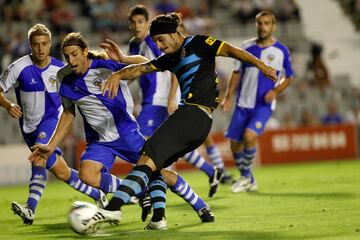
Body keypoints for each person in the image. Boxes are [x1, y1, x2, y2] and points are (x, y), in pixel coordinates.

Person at [71, 11, 276, 232]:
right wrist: (119, 74)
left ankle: (113, 208)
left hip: (191, 115)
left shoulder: (199, 42)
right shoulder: (169, 58)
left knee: (147, 159)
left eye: (161, 39)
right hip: (197, 122)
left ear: (174, 33)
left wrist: (262, 66)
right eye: (155, 41)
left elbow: (233, 51)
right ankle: (170, 214)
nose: (158, 45)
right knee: (153, 164)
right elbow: (141, 68)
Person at [29, 32, 215, 231]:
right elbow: (68, 114)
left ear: (85, 51)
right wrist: (50, 146)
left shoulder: (106, 66)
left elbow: (149, 63)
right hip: (99, 141)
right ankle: (138, 193)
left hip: (126, 133)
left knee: (157, 172)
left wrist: (124, 59)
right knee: (86, 174)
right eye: (67, 56)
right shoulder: (63, 77)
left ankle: (199, 205)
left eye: (75, 54)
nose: (71, 60)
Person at [0, 24, 108, 225]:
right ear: (30, 46)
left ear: (50, 44)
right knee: (62, 172)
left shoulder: (61, 69)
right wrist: (8, 105)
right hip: (29, 128)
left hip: (52, 122)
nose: (40, 48)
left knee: (38, 158)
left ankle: (30, 208)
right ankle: (98, 194)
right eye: (36, 45)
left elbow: (84, 84)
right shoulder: (18, 67)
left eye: (44, 44)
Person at [127, 5, 222, 202]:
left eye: (141, 22)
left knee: (146, 146)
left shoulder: (156, 43)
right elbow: (137, 71)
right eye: (133, 22)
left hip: (159, 101)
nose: (137, 26)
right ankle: (211, 171)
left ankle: (143, 187)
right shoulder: (134, 45)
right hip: (148, 100)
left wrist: (172, 97)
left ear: (147, 23)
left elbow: (173, 68)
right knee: (170, 144)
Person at [221, 11, 294, 193]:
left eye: (267, 23)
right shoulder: (246, 47)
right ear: (256, 25)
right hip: (243, 104)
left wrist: (275, 91)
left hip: (263, 105)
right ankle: (249, 179)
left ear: (273, 26)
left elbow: (289, 77)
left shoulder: (281, 51)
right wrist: (229, 96)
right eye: (260, 23)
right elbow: (236, 72)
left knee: (249, 136)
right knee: (234, 144)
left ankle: (245, 177)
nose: (263, 26)